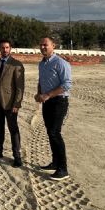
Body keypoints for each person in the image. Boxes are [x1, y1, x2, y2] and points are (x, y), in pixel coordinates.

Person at [34, 37, 72, 181]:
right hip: (47, 102)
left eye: (46, 44)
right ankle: (55, 162)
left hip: (59, 102)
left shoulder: (61, 63)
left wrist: (48, 94)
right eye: (41, 44)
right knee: (50, 132)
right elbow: (41, 81)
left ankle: (63, 169)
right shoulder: (42, 64)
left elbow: (67, 85)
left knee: (55, 133)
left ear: (53, 46)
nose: (43, 47)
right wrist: (39, 93)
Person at [0, 40, 25, 166]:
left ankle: (17, 156)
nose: (5, 50)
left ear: (11, 49)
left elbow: (20, 87)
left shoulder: (16, 64)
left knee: (13, 129)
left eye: (7, 47)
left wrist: (17, 104)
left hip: (10, 103)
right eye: (2, 48)